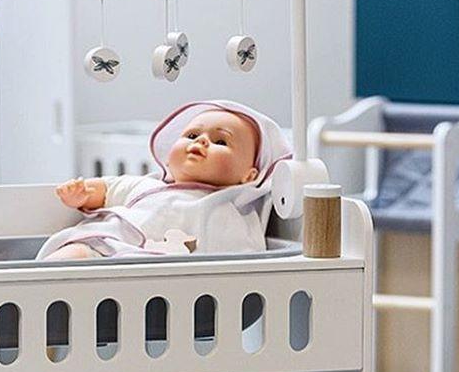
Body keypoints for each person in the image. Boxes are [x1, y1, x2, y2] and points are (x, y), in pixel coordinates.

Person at [36, 100, 291, 261]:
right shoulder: (147, 186)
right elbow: (107, 190)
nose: (202, 141)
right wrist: (82, 193)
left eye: (221, 141)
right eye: (192, 135)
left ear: (249, 176)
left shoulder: (233, 206)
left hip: (171, 280)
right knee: (72, 256)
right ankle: (35, 309)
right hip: (108, 253)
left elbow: (245, 255)